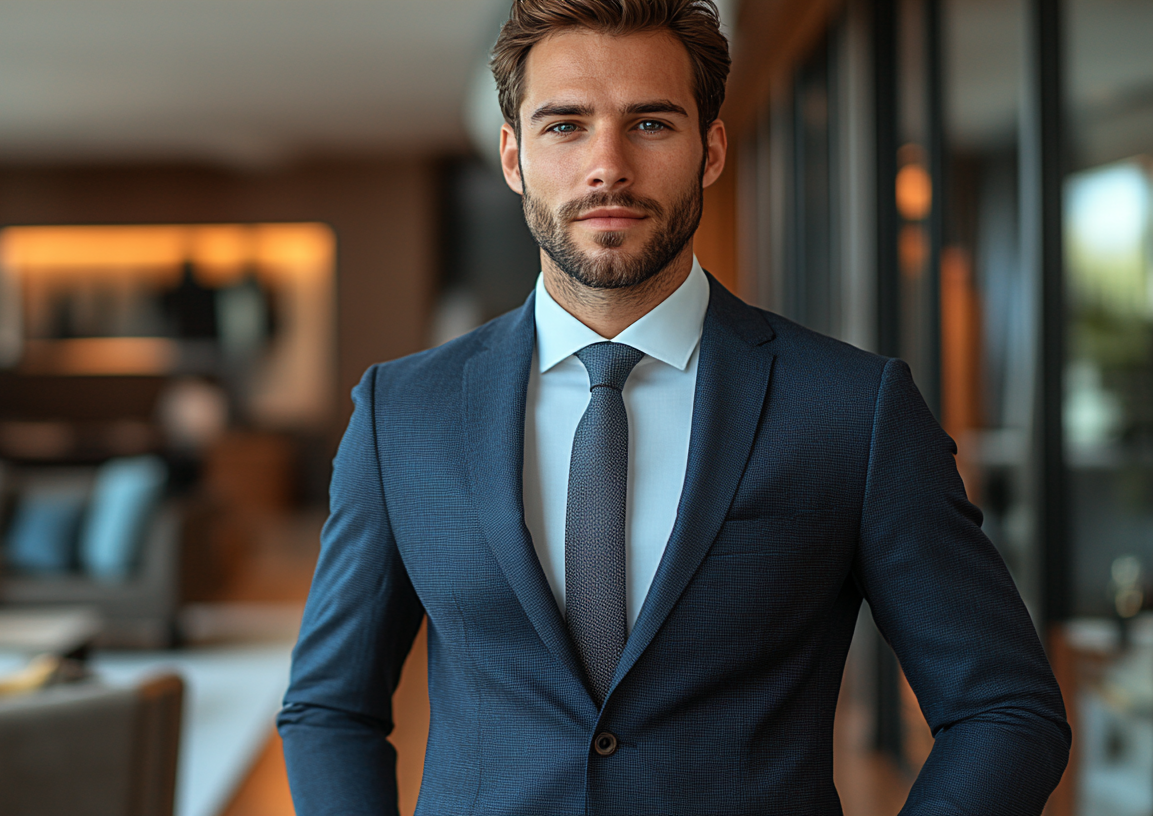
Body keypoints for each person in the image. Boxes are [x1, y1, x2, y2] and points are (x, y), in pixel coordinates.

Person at [278, 0, 1071, 813]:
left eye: (651, 124)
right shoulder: (401, 412)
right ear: (513, 156)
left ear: (711, 149)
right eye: (565, 126)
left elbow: (1005, 711)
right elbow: (329, 707)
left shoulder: (853, 410)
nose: (608, 165)